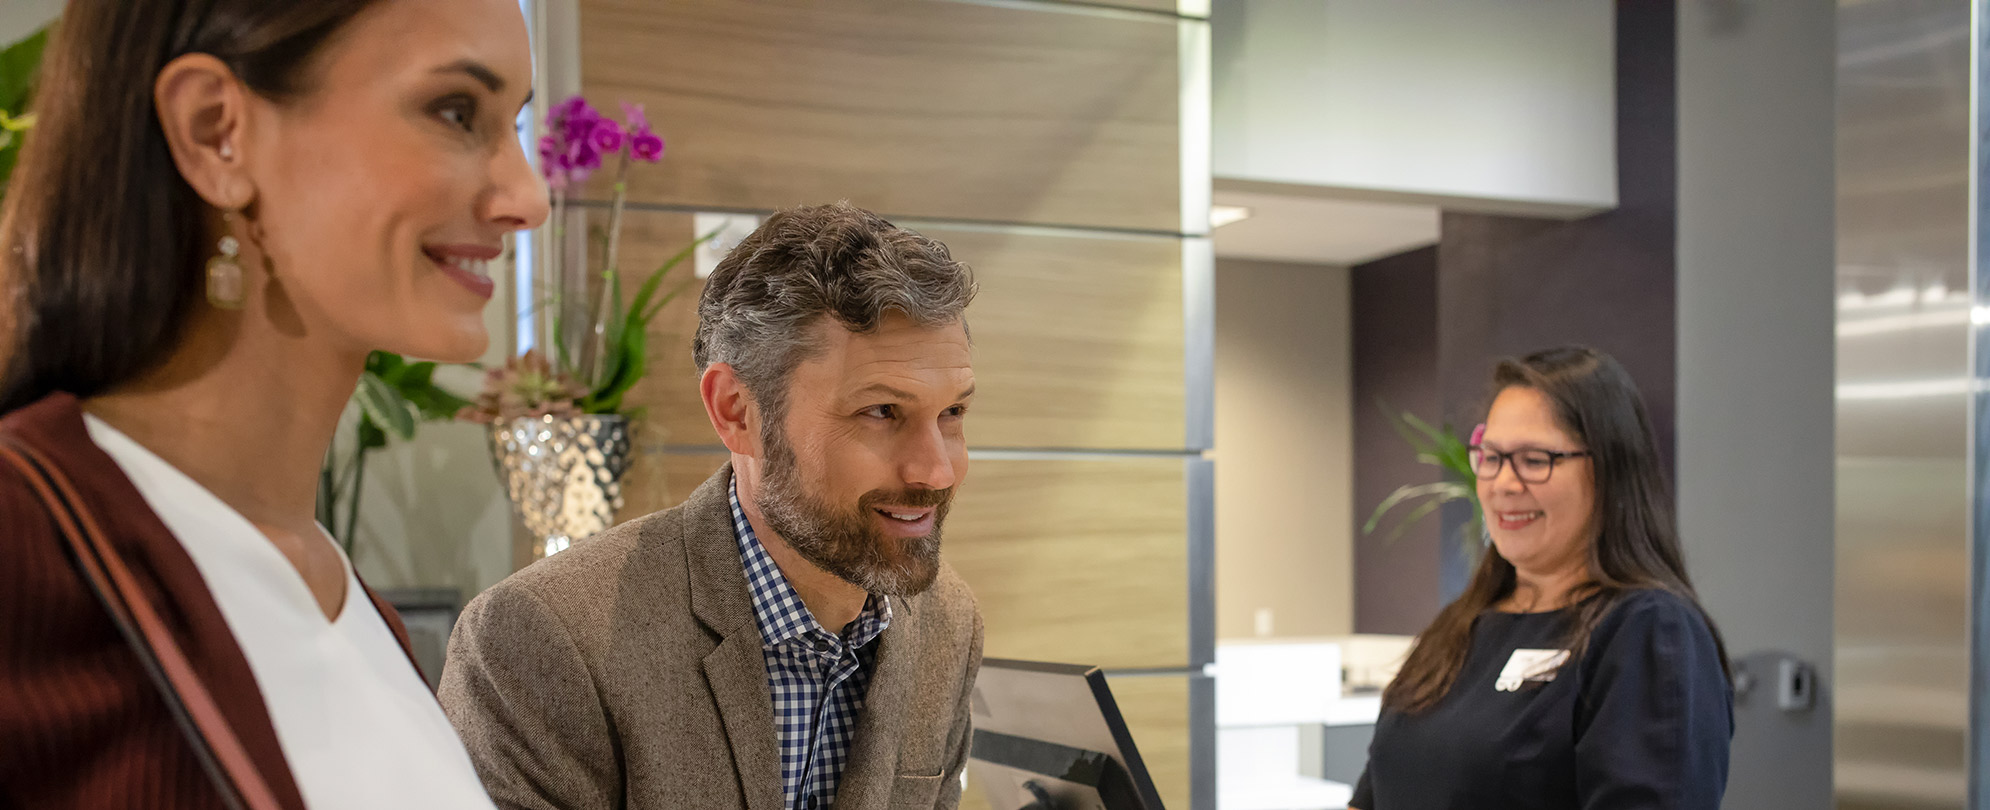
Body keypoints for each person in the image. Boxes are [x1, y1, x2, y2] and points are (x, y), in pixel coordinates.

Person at [0, 1, 547, 808]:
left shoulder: (348, 601)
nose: (526, 197)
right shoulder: (26, 545)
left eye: (517, 126)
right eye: (456, 111)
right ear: (216, 130)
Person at [439, 202, 986, 810]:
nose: (937, 469)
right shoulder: (544, 638)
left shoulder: (947, 622)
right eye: (882, 412)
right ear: (736, 412)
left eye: (953, 413)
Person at [1350, 346, 1733, 810]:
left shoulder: (1647, 633)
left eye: (1535, 459)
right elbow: (1373, 793)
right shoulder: (1462, 624)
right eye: (1490, 457)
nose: (1504, 483)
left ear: (1609, 469)